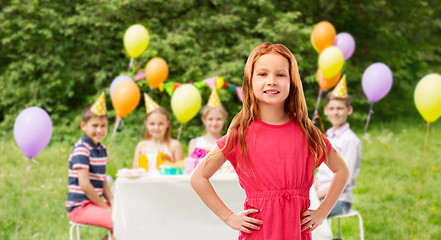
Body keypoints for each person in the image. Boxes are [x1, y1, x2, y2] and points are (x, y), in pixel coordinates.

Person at [190, 42, 350, 239]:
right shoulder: (240, 134)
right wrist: (229, 217)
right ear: (250, 82)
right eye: (263, 74)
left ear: (292, 82)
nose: (272, 81)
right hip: (259, 233)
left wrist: (322, 212)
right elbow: (198, 177)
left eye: (280, 75)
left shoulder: (308, 133)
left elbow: (342, 170)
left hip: (296, 232)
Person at [66, 93, 115, 240]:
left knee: (127, 215)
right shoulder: (82, 149)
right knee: (120, 222)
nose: (99, 130)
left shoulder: (102, 149)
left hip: (93, 203)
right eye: (95, 125)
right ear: (83, 126)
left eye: (103, 126)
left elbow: (103, 180)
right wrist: (105, 207)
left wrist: (112, 201)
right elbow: (85, 185)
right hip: (80, 207)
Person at [315, 76, 362, 217]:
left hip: (339, 200)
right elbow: (321, 172)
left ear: (349, 110)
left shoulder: (349, 140)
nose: (335, 112)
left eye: (340, 108)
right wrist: (312, 193)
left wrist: (317, 196)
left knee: (300, 219)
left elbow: (344, 178)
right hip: (320, 197)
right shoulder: (328, 137)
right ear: (325, 110)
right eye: (332, 108)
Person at [186, 89, 234, 174]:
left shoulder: (229, 143)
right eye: (210, 119)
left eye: (218, 119)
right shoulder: (194, 143)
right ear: (204, 120)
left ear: (224, 120)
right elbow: (189, 170)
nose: (214, 123)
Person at [133, 93, 183, 172]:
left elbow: (181, 171)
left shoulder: (174, 145)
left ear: (167, 124)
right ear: (146, 125)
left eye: (160, 124)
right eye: (152, 124)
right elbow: (135, 171)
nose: (156, 128)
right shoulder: (141, 146)